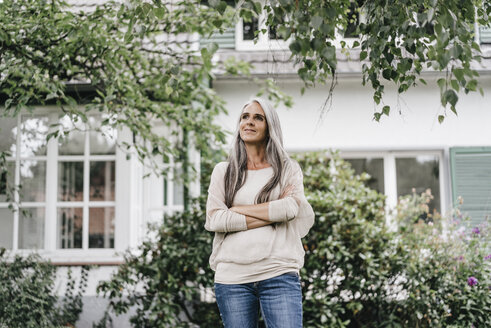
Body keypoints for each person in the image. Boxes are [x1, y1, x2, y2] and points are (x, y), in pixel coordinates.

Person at [205, 97, 315, 328]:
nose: (249, 122)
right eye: (245, 117)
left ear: (269, 127)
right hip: (232, 277)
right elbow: (216, 219)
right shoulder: (223, 172)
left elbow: (289, 209)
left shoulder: (287, 169)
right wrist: (270, 216)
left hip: (279, 272)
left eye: (258, 117)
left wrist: (236, 211)